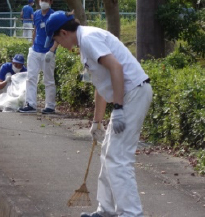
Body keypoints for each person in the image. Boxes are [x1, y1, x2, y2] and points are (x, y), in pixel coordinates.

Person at [45, 11, 153, 217]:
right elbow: (101, 84)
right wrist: (97, 122)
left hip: (133, 94)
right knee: (108, 154)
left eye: (56, 39)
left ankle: (131, 213)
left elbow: (116, 68)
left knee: (119, 157)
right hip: (128, 96)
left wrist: (119, 108)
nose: (57, 44)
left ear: (63, 32)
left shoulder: (88, 38)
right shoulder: (84, 43)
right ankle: (107, 210)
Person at [18, 0, 58, 114]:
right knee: (31, 77)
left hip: (48, 52)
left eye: (45, 0)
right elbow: (35, 30)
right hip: (35, 50)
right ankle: (30, 104)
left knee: (48, 79)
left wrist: (52, 50)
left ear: (50, 1)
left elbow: (58, 35)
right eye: (41, 0)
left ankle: (50, 106)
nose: (43, 2)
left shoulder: (54, 16)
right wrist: (32, 45)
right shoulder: (36, 14)